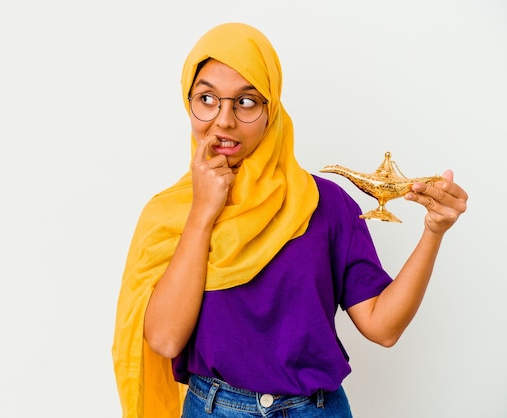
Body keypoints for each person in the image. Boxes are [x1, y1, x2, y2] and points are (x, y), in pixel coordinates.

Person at [112, 22, 468, 418]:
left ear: (272, 108)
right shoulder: (170, 215)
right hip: (213, 409)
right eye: (207, 98)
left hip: (313, 410)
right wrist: (202, 212)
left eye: (246, 101)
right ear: (188, 102)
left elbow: (383, 328)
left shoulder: (325, 205)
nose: (224, 120)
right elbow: (163, 339)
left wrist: (434, 232)